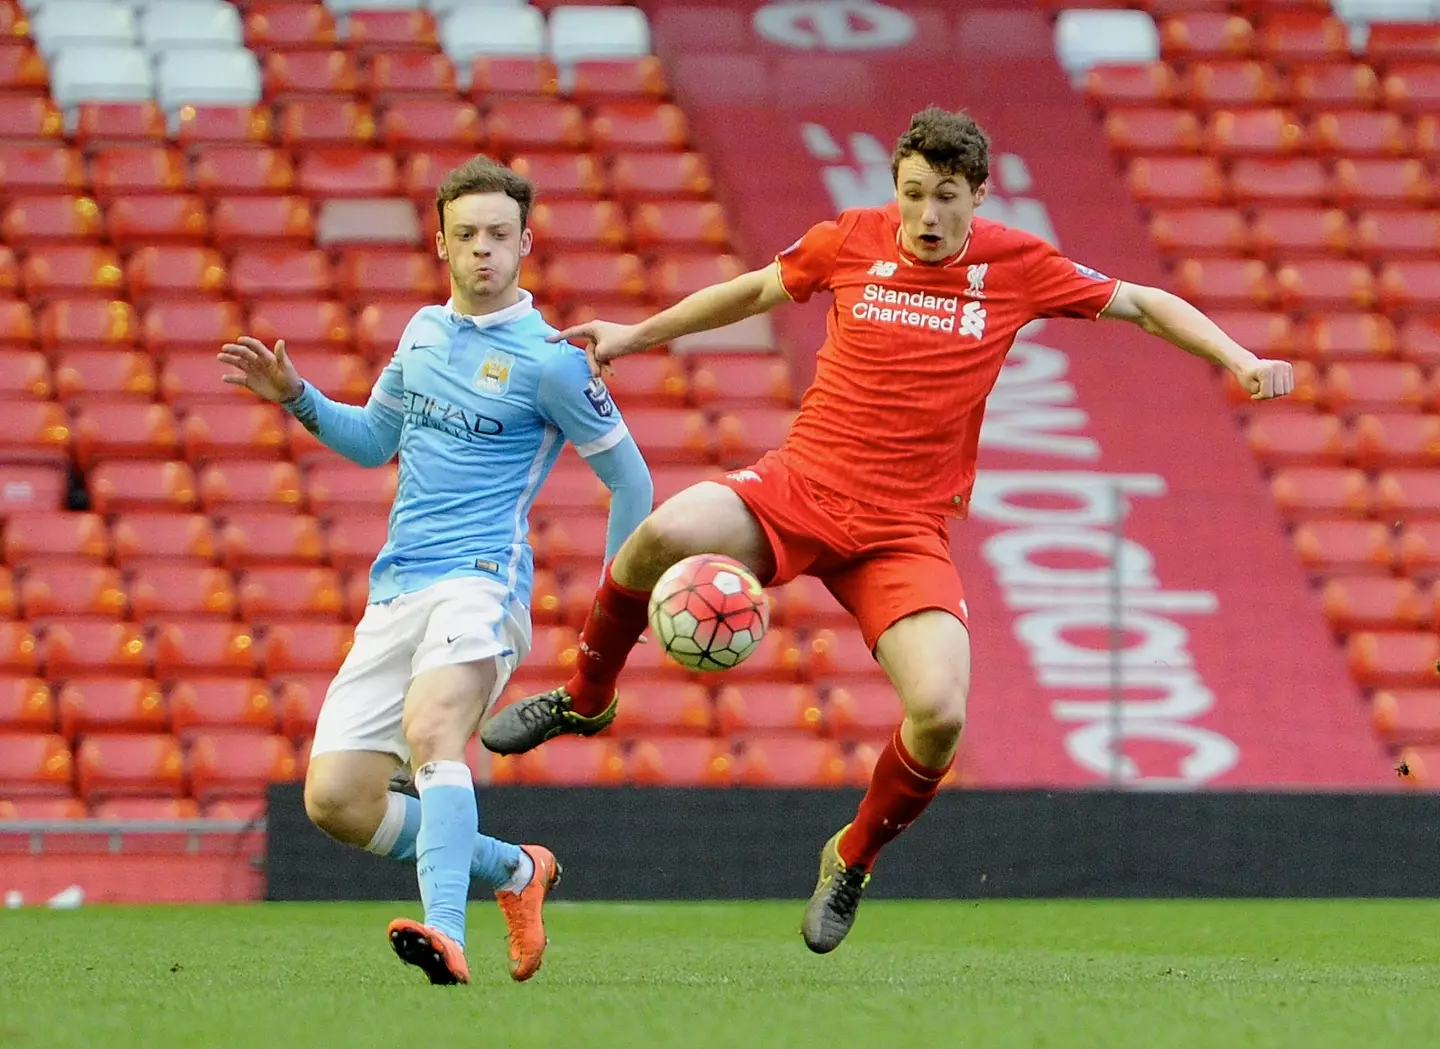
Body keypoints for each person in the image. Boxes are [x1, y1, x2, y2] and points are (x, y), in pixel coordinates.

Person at [480, 107, 1295, 952]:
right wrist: (637, 335)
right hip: (800, 487)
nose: (928, 216)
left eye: (947, 197)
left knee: (940, 712)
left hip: (904, 530)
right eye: (914, 194)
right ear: (895, 189)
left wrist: (1235, 358)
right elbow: (756, 288)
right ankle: (586, 695)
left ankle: (852, 856)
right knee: (658, 537)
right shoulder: (850, 240)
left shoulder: (1019, 265)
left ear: (979, 195)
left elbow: (1142, 302)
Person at [218, 156, 654, 984]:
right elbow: (373, 440)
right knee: (338, 799)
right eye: (466, 236)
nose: (483, 250)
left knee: (432, 730)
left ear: (526, 242)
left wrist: (612, 618)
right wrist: (296, 394)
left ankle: (444, 931)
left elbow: (631, 480)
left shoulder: (554, 360)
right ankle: (519, 870)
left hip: (482, 580)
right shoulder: (422, 333)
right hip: (398, 586)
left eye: (499, 235)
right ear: (441, 244)